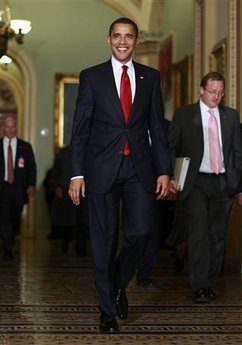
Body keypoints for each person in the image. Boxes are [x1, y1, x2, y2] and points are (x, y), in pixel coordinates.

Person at [68, 17, 171, 333]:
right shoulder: (92, 77)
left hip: (138, 168)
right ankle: (107, 310)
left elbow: (156, 127)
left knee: (140, 231)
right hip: (100, 170)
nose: (122, 41)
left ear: (137, 41)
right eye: (117, 36)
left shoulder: (150, 77)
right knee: (104, 240)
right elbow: (81, 129)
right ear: (108, 40)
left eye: (129, 36)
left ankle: (116, 283)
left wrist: (164, 169)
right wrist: (76, 174)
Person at [168, 71, 242, 303]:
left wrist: (239, 186)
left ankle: (209, 283)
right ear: (201, 90)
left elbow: (237, 154)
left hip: (223, 183)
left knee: (217, 236)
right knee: (199, 235)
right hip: (196, 182)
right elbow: (171, 147)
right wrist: (170, 176)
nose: (216, 97)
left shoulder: (231, 116)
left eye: (220, 93)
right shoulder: (184, 115)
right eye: (212, 92)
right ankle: (199, 287)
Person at [0, 115, 37, 259]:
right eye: (7, 127)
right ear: (3, 128)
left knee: (15, 219)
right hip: (2, 189)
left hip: (18, 189)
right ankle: (8, 247)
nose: (10, 130)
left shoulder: (25, 147)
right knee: (4, 218)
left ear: (16, 127)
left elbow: (32, 168)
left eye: (13, 127)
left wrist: (32, 185)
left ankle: (8, 242)